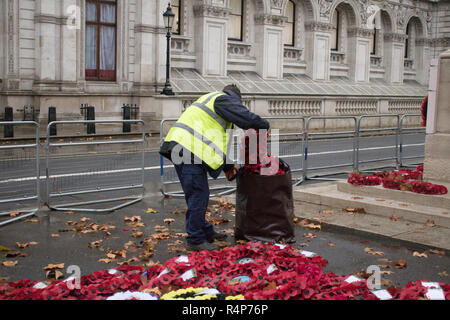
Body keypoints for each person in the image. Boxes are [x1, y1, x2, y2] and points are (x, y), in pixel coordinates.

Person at [160, 84, 270, 251]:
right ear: (235, 99)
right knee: (199, 194)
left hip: (182, 148)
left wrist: (227, 164)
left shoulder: (210, 102)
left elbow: (210, 142)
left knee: (195, 195)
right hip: (188, 149)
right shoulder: (222, 99)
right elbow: (245, 118)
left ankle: (206, 232)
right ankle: (195, 240)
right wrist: (263, 125)